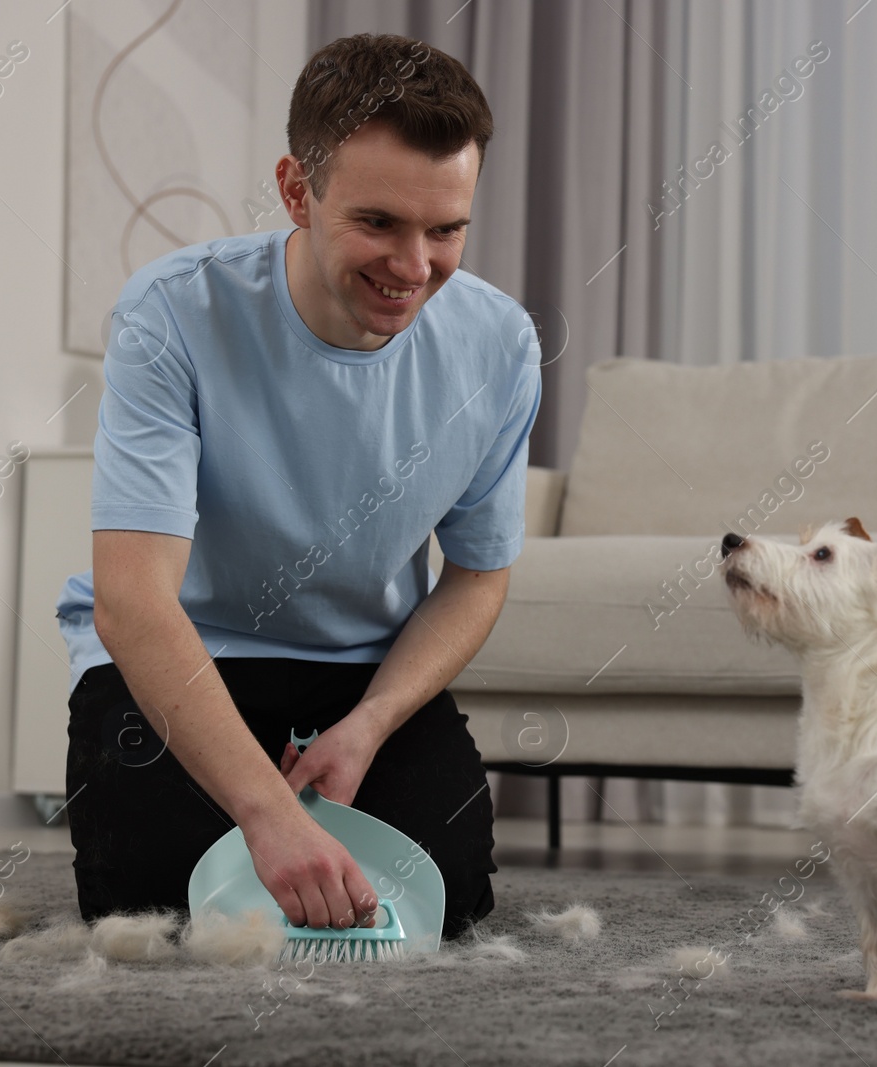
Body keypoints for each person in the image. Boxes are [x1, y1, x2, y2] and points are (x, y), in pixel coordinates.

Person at [53, 33, 540, 942]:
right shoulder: (172, 314)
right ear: (295, 190)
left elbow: (477, 576)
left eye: (447, 230)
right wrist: (269, 818)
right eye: (379, 224)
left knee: (449, 897)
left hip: (360, 675)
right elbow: (131, 601)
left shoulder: (501, 346)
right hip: (183, 655)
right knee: (152, 906)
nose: (414, 266)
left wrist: (372, 723)